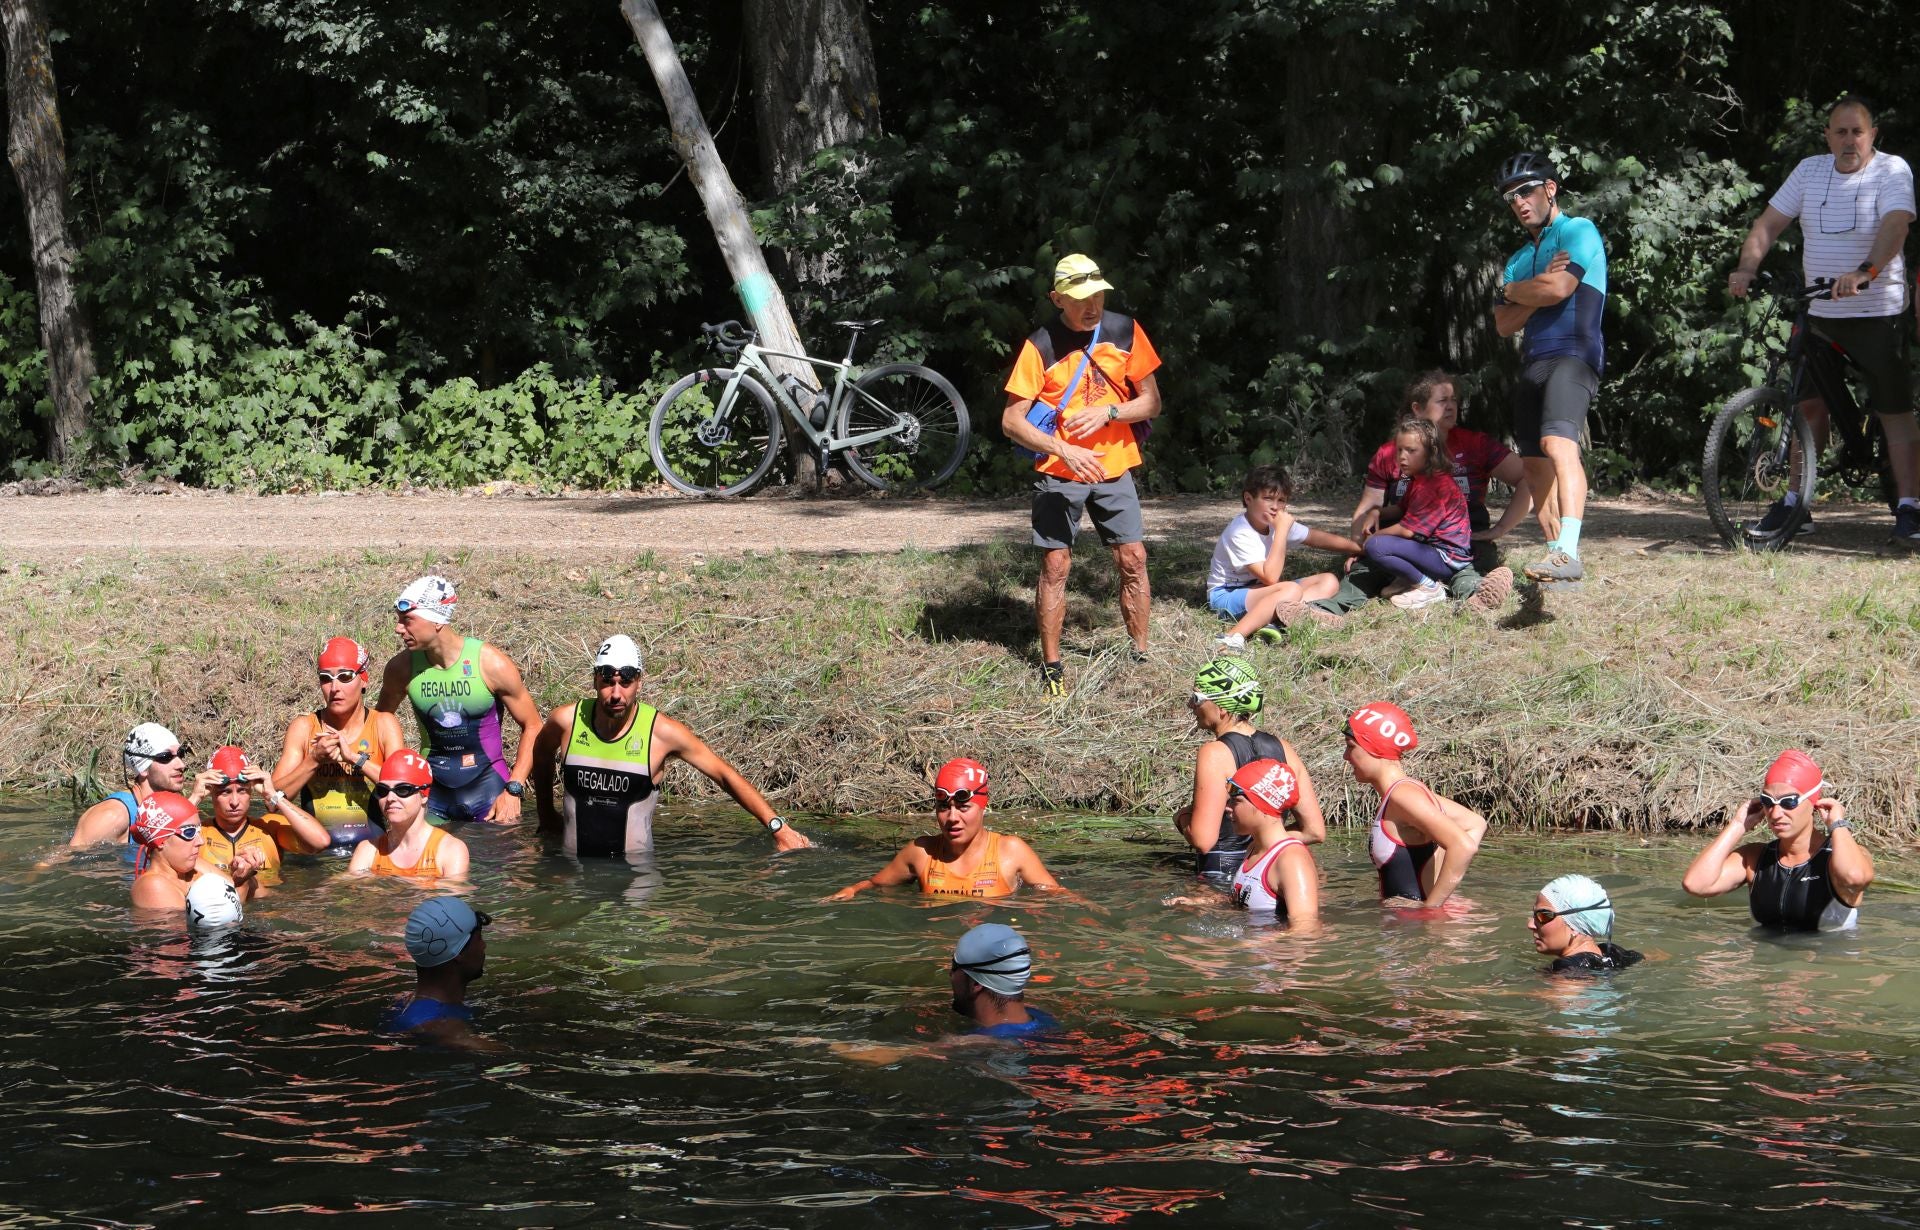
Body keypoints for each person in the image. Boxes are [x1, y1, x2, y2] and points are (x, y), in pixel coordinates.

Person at [1729, 96, 1920, 547]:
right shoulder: (1810, 171)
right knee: (1806, 405)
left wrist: (1865, 271)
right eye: (1840, 131)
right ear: (1827, 136)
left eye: (1858, 131)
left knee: (1893, 409)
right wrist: (1746, 267)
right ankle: (1797, 502)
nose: (1849, 140)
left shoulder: (1892, 170)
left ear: (1873, 135)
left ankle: (1910, 508)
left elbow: (1897, 225)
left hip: (1877, 310)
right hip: (1819, 310)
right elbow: (1769, 224)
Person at [1001, 253, 1165, 694]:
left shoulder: (1125, 331)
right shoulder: (1041, 345)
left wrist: (1109, 411)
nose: (1091, 305)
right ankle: (1052, 666)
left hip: (1114, 465)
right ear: (1057, 298)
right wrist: (1063, 450)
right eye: (1079, 298)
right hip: (1059, 469)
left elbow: (1151, 403)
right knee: (1055, 564)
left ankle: (1140, 655)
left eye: (1098, 294)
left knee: (1133, 559)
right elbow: (1011, 421)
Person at [529, 635, 810, 859]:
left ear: (639, 682)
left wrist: (778, 827)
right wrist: (545, 813)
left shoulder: (662, 733)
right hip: (572, 873)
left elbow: (724, 775)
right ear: (594, 680)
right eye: (607, 682)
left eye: (625, 682)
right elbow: (541, 753)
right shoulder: (566, 721)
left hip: (634, 879)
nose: (616, 693)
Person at [1492, 150, 1608, 589]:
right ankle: (1559, 562)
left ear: (1550, 189)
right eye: (1510, 197)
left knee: (1557, 443)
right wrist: (1519, 289)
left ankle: (1570, 550)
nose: (1519, 201)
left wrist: (1516, 294)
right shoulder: (1519, 259)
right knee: (1536, 469)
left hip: (1575, 353)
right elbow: (1504, 324)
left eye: (1525, 190)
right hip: (1534, 361)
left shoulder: (1578, 231)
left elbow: (1560, 288)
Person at [375, 576, 543, 825]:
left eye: (407, 620)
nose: (399, 628)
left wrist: (514, 788)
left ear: (437, 621)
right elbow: (379, 723)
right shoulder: (401, 668)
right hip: (431, 792)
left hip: (489, 788)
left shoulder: (489, 663)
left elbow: (533, 725)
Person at [1350, 369, 1528, 579]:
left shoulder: (1475, 444)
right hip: (1405, 543)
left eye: (1453, 400)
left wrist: (1500, 528)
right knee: (1361, 574)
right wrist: (1356, 545)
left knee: (1467, 578)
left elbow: (1531, 478)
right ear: (1417, 408)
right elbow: (1369, 507)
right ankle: (1329, 607)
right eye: (1442, 401)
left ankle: (1474, 594)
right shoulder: (1390, 452)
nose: (1451, 406)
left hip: (1461, 544)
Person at [1680, 749, 1873, 931]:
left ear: (1814, 803)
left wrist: (1837, 825)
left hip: (1823, 964)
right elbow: (1696, 884)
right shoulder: (1755, 859)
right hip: (1763, 965)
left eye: (1789, 802)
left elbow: (1855, 878)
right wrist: (1738, 825)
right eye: (1768, 802)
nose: (1776, 813)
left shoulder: (1840, 858)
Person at [1174, 659, 1325, 886]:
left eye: (1197, 698)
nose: (1190, 705)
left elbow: (1203, 840)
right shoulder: (1284, 748)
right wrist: (1262, 844)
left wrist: (1182, 818)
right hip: (1268, 872)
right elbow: (1314, 831)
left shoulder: (1214, 753)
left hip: (1220, 879)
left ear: (1222, 706)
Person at [830, 759, 1060, 900]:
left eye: (963, 807)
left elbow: (1057, 897)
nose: (952, 818)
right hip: (937, 950)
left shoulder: (1011, 851)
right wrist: (852, 890)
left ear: (983, 807)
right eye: (943, 807)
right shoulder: (921, 852)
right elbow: (875, 885)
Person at [1341, 701, 1486, 910]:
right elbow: (1475, 823)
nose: (1346, 756)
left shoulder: (1404, 796)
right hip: (1407, 926)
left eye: (1351, 746)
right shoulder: (1406, 793)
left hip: (1414, 929)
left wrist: (1431, 908)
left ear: (1375, 747)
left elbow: (1463, 846)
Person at [1207, 463, 1360, 651]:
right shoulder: (1240, 531)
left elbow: (1315, 537)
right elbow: (1270, 577)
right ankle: (1232, 636)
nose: (1275, 507)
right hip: (1225, 595)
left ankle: (1276, 622)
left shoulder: (1276, 522)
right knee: (1290, 590)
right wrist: (1281, 531)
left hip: (1260, 590)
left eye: (1281, 500)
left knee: (1329, 581)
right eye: (1268, 498)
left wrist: (1359, 548)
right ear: (1248, 498)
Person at [273, 637, 405, 846]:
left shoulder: (383, 724)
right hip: (316, 855)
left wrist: (354, 758)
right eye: (326, 678)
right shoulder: (304, 728)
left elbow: (405, 790)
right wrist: (314, 760)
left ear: (364, 679)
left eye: (345, 677)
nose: (334, 688)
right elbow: (272, 802)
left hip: (370, 854)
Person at [1357, 418, 1477, 611]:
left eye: (1411, 451)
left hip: (1446, 557)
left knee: (1376, 546)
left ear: (1431, 453)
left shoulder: (1433, 485)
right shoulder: (1419, 479)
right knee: (1378, 544)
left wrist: (1373, 538)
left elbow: (1407, 531)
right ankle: (1409, 579)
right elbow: (1400, 509)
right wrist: (1376, 512)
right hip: (1435, 552)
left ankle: (1429, 587)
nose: (1402, 457)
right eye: (1399, 450)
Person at [1189, 759, 1321, 925]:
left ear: (1262, 804)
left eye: (1235, 800)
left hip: (1271, 950)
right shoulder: (1254, 848)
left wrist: (1240, 945)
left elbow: (1306, 929)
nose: (1227, 807)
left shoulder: (1292, 860)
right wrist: (1204, 901)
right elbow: (1245, 900)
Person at [200, 745, 331, 893]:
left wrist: (274, 795)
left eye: (242, 790)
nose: (235, 801)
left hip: (266, 909)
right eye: (225, 792)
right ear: (210, 792)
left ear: (251, 790)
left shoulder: (269, 828)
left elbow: (321, 841)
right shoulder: (196, 834)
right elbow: (167, 852)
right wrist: (195, 798)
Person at [384, 896, 501, 1051]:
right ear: (458, 952)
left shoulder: (403, 1002)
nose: (483, 946)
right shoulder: (446, 1031)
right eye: (479, 938)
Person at [68, 722, 202, 855]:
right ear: (142, 768)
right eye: (165, 757)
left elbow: (170, 831)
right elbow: (65, 861)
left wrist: (197, 796)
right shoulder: (113, 815)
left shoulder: (162, 808)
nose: (181, 765)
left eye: (181, 754)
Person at [347, 750, 471, 880]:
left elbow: (454, 897)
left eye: (402, 790)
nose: (390, 798)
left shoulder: (450, 850)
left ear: (424, 795)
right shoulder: (368, 850)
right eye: (383, 790)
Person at [129, 791, 261, 911]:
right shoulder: (152, 885)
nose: (200, 841)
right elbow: (199, 931)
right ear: (161, 840)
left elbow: (254, 894)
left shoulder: (195, 865)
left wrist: (244, 870)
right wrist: (242, 884)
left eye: (199, 830)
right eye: (189, 832)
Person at [951, 922, 1056, 1038]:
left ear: (976, 984)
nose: (950, 974)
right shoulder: (1044, 1018)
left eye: (954, 966)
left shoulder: (982, 1045)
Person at [1528, 874, 1641, 973]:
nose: (1530, 924)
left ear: (1574, 926)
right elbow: (1655, 956)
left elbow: (1566, 992)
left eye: (1543, 915)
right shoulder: (1614, 953)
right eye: (1534, 914)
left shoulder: (1568, 967)